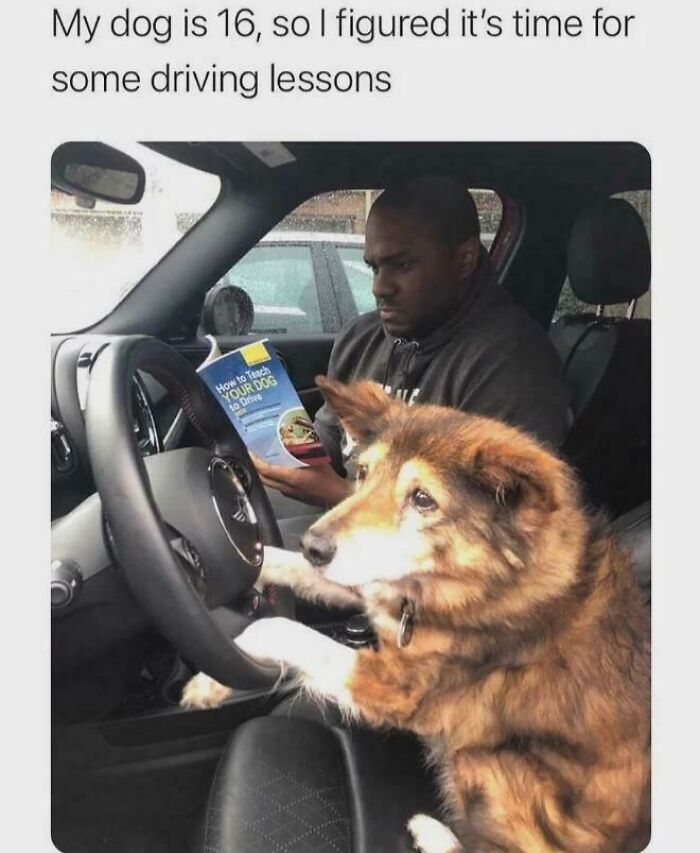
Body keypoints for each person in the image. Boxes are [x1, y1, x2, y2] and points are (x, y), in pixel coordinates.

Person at [255, 176, 570, 540]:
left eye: (401, 265)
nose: (379, 287)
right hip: (344, 512)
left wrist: (338, 494)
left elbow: (493, 530)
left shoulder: (513, 365)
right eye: (374, 267)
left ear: (464, 260)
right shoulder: (361, 337)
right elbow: (329, 437)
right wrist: (277, 449)